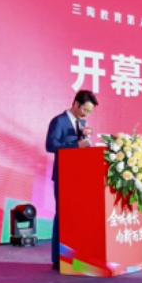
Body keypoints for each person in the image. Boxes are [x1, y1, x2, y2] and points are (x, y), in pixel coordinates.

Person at [45, 90, 98, 269]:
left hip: (78, 177)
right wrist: (76, 145)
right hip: (63, 175)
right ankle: (57, 258)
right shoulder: (59, 121)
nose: (86, 114)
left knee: (75, 217)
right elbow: (50, 145)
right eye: (85, 110)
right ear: (76, 104)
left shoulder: (82, 123)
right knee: (62, 215)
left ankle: (73, 257)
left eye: (89, 111)